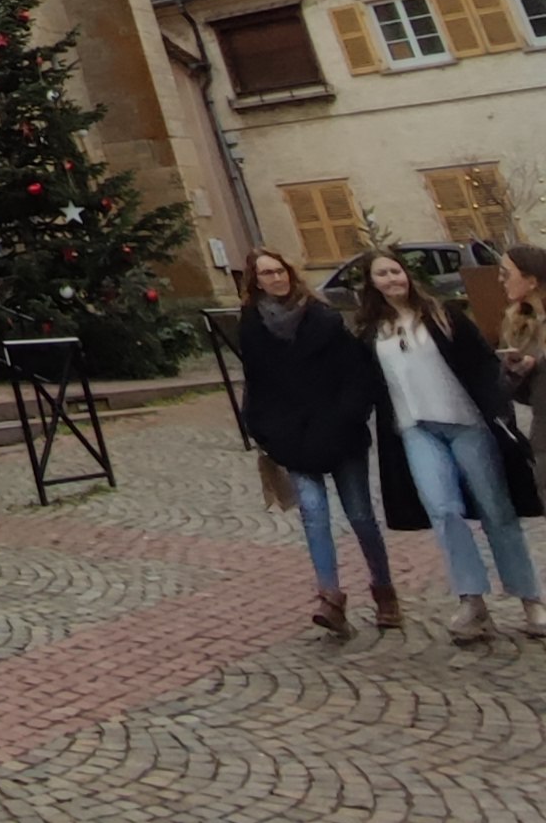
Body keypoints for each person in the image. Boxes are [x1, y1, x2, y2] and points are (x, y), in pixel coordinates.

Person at [357, 248, 546, 644]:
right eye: (382, 274)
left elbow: (483, 364)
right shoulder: (372, 331)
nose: (392, 279)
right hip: (416, 429)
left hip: (466, 423)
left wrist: (499, 408)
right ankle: (472, 600)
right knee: (443, 511)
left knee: (496, 510)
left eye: (396, 271)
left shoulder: (443, 315)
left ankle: (530, 599)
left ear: (407, 274)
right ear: (371, 283)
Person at [232, 246, 396, 636]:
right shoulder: (253, 327)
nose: (277, 278)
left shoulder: (322, 317)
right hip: (293, 437)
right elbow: (259, 384)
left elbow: (356, 374)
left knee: (360, 515)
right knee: (313, 512)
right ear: (256, 283)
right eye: (267, 274)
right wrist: (264, 429)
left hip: (340, 431)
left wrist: (347, 416)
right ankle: (330, 598)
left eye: (280, 271)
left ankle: (384, 590)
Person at [498, 242, 546, 508]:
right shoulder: (518, 324)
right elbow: (523, 396)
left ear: (531, 280)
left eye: (506, 273)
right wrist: (517, 371)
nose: (500, 280)